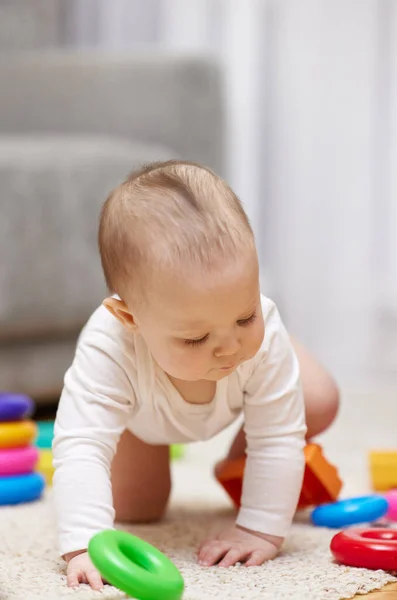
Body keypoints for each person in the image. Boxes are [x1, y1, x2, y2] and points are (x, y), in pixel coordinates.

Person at [53, 160, 339, 590]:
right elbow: (81, 446)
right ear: (129, 317)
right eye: (196, 337)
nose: (228, 347)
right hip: (141, 417)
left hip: (250, 386)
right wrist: (83, 543)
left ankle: (242, 451)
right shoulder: (108, 344)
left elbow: (280, 437)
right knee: (137, 508)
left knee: (315, 397)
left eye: (245, 316)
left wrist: (260, 529)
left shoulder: (258, 338)